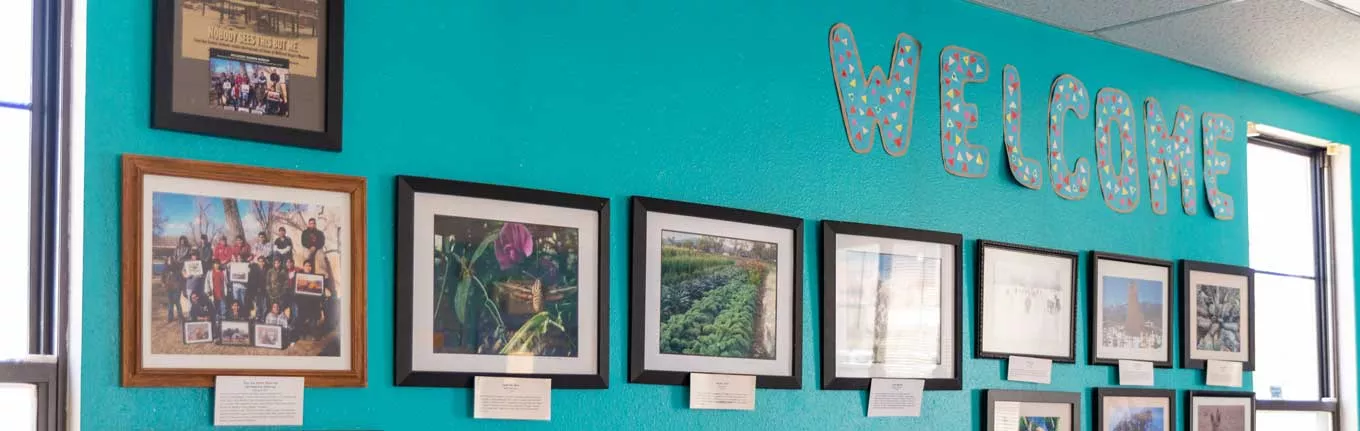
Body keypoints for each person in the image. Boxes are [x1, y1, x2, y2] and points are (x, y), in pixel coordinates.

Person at [165, 236, 192, 322]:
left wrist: (182, 262)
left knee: (179, 296)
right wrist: (174, 261)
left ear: (185, 241)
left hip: (183, 267)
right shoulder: (176, 249)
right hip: (174, 276)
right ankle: (171, 316)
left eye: (184, 241)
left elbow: (189, 258)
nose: (182, 242)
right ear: (180, 241)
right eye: (181, 241)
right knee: (171, 301)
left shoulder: (188, 249)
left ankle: (181, 315)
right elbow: (173, 258)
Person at [266, 258, 290, 322]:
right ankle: (270, 321)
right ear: (273, 264)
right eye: (275, 263)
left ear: (280, 263)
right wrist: (270, 293)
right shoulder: (270, 271)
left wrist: (283, 292)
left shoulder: (283, 272)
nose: (277, 264)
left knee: (280, 309)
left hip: (280, 295)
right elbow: (267, 283)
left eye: (278, 263)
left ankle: (281, 321)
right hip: (272, 295)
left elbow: (286, 283)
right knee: (271, 308)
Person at [248, 255, 269, 321]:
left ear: (264, 262)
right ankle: (257, 317)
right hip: (257, 291)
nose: (261, 263)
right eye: (259, 262)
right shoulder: (255, 270)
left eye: (262, 262)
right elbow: (253, 281)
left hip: (264, 291)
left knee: (264, 305)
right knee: (257, 305)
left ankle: (263, 317)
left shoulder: (267, 270)